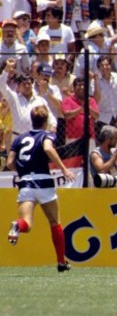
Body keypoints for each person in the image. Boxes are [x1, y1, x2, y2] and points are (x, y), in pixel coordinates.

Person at [6, 106, 75, 272]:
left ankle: (17, 226)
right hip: (43, 182)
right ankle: (61, 262)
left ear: (32, 120)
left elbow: (9, 162)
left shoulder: (19, 139)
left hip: (26, 184)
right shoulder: (46, 135)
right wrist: (64, 169)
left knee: (27, 224)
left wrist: (22, 171)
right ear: (45, 122)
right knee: (55, 222)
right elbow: (48, 148)